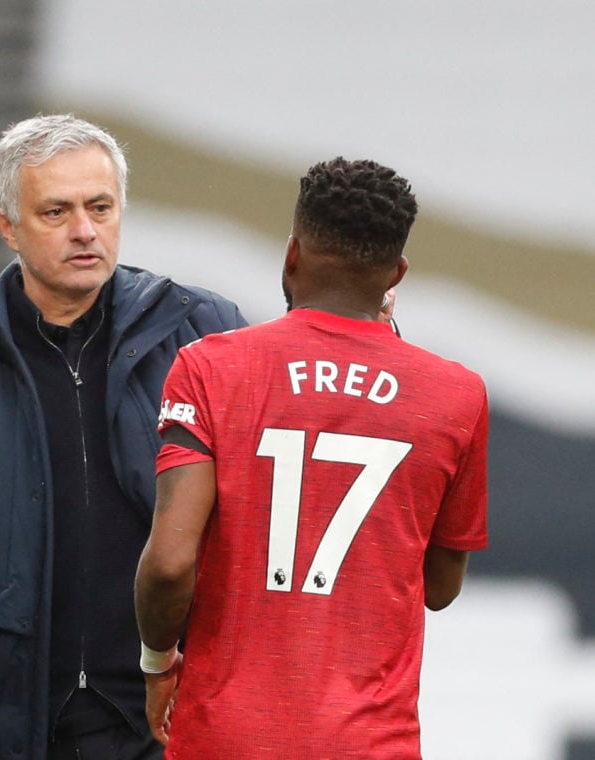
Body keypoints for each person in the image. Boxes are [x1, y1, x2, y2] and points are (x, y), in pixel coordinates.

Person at [0, 114, 247, 760]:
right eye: (56, 212)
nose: (85, 231)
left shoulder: (205, 334)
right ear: (5, 226)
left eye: (100, 207)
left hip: (167, 729)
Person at [134, 157, 489, 759]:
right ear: (396, 272)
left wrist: (157, 663)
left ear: (292, 253)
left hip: (225, 735)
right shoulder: (455, 393)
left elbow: (170, 563)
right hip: (370, 741)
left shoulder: (209, 367)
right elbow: (439, 587)